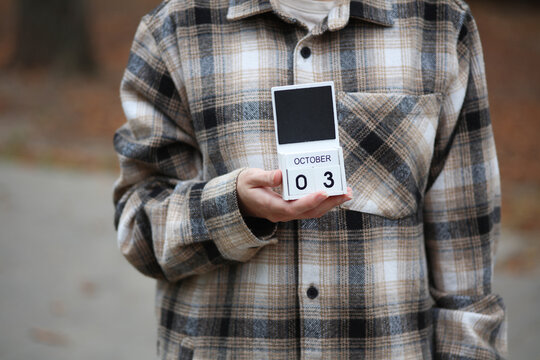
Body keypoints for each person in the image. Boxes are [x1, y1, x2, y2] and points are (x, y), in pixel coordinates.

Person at [113, 0, 507, 358]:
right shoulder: (177, 27)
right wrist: (232, 208)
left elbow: (467, 271)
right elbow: (139, 228)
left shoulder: (439, 24)